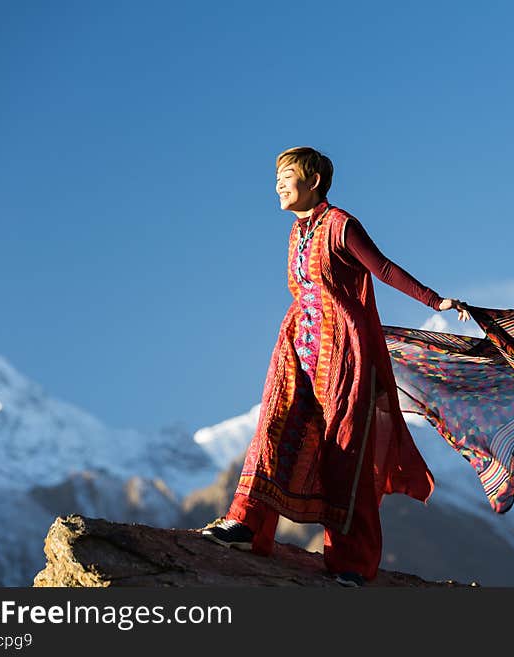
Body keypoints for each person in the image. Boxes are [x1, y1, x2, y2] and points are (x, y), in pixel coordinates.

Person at [201, 146, 470, 587]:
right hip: (296, 345)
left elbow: (381, 268)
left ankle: (351, 561)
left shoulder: (341, 224)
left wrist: (434, 300)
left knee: (344, 448)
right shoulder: (295, 234)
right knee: (275, 427)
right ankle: (248, 527)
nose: (279, 186)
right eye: (276, 179)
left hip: (342, 349)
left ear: (314, 181)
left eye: (287, 177)